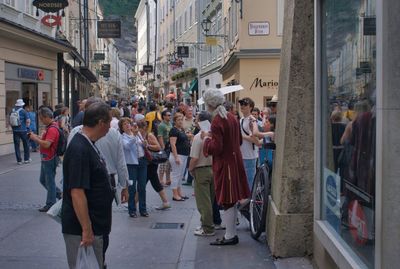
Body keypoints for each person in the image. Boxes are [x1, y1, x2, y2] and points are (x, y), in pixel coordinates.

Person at [62, 102, 113, 269]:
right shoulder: (79, 148)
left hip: (96, 224)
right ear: (100, 123)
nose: (110, 127)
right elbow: (77, 192)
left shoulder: (87, 144)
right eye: (109, 122)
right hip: (82, 229)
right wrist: (86, 229)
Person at [202, 88, 250, 246]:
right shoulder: (231, 117)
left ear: (210, 104)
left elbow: (216, 148)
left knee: (228, 200)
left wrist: (206, 140)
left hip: (225, 164)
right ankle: (231, 234)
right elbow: (239, 141)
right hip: (236, 161)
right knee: (232, 199)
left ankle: (230, 236)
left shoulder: (217, 120)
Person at [29, 107, 62, 212]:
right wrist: (36, 136)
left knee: (49, 181)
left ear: (47, 117)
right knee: (44, 180)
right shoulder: (50, 127)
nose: (41, 120)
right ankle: (59, 194)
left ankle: (50, 203)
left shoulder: (52, 128)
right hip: (46, 157)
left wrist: (35, 138)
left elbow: (47, 144)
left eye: (42, 118)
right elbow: (44, 140)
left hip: (49, 158)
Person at [189, 111, 215, 236]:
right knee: (210, 199)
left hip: (201, 169)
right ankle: (207, 223)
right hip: (213, 169)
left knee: (203, 202)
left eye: (197, 119)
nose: (195, 121)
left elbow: (194, 158)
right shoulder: (213, 135)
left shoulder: (198, 137)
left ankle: (207, 228)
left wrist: (190, 169)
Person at [137, 121, 171, 210]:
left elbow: (158, 147)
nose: (137, 130)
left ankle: (133, 202)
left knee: (143, 182)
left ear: (142, 128)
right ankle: (165, 202)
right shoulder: (139, 136)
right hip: (146, 162)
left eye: (138, 128)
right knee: (153, 182)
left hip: (151, 162)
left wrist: (147, 145)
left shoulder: (149, 135)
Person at [120, 117, 149, 218]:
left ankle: (143, 209)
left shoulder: (137, 134)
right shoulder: (122, 137)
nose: (128, 125)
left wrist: (145, 144)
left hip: (142, 162)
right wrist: (134, 136)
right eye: (125, 124)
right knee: (132, 188)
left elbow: (142, 145)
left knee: (142, 187)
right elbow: (127, 146)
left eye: (129, 123)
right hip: (131, 164)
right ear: (122, 128)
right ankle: (132, 210)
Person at [238, 97, 259, 189]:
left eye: (245, 104)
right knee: (242, 183)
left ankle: (249, 202)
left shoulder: (251, 120)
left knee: (249, 184)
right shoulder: (241, 119)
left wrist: (240, 137)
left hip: (249, 156)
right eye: (241, 104)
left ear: (250, 107)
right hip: (242, 154)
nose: (242, 106)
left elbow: (255, 140)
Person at [169, 113, 191, 201]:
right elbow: (173, 144)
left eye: (181, 119)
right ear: (174, 121)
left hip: (183, 155)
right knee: (176, 175)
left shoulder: (181, 130)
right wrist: (176, 157)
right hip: (178, 155)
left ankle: (179, 192)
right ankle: (175, 194)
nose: (181, 121)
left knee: (180, 175)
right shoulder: (174, 130)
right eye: (178, 120)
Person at [10, 99, 31, 164]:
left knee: (16, 145)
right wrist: (27, 127)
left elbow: (10, 120)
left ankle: (19, 160)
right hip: (23, 130)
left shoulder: (12, 111)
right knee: (26, 144)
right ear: (22, 105)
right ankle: (26, 159)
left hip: (15, 130)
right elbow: (28, 121)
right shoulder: (24, 111)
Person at [157, 110, 173, 186]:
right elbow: (160, 136)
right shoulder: (161, 125)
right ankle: (160, 180)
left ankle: (168, 179)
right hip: (164, 146)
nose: (170, 116)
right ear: (164, 116)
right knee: (163, 163)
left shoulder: (170, 123)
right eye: (168, 115)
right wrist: (162, 146)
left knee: (168, 163)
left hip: (170, 145)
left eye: (170, 115)